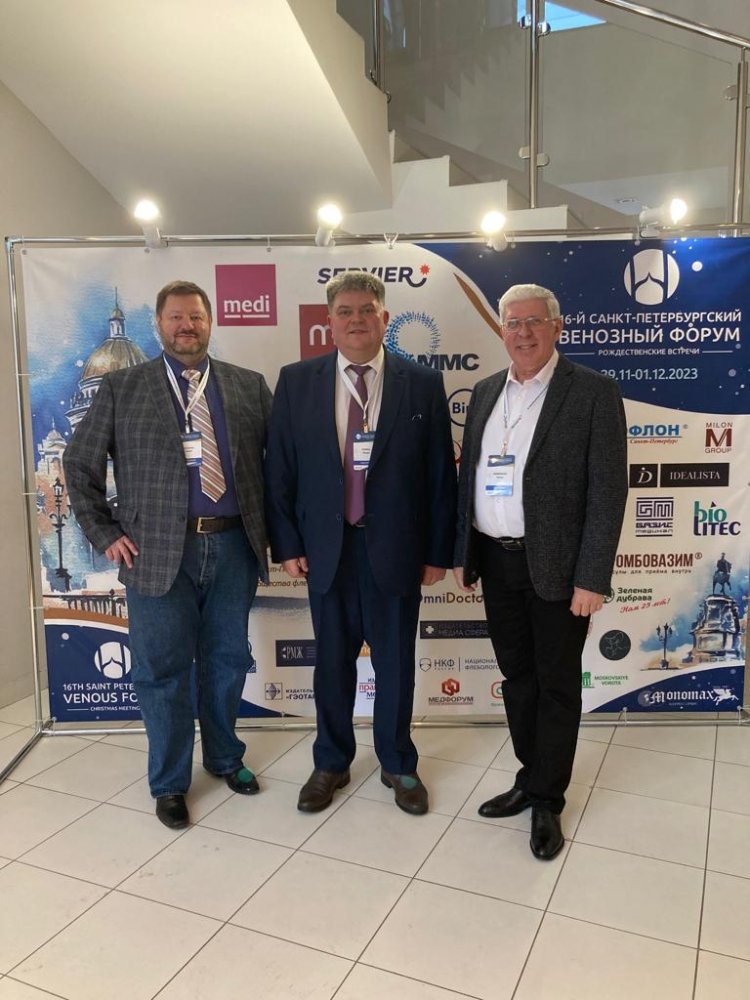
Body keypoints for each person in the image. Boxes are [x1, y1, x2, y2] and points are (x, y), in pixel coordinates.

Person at [64, 280, 271, 829]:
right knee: (162, 671)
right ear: (158, 325)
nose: (187, 326)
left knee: (228, 661)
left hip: (234, 546)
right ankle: (170, 782)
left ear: (210, 323)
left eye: (196, 317)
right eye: (176, 317)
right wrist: (104, 532)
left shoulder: (248, 385)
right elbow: (78, 465)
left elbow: (279, 465)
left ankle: (225, 758)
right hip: (154, 553)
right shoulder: (123, 387)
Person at [265, 271, 456, 815]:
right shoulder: (297, 381)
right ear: (328, 322)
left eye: (366, 310)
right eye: (345, 311)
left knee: (395, 663)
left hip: (396, 550)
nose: (356, 320)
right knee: (331, 663)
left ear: (384, 318)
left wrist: (438, 552)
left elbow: (440, 475)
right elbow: (280, 470)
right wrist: (288, 544)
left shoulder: (422, 382)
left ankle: (398, 762)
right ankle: (330, 761)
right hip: (326, 550)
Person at [454, 283, 627, 860]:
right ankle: (530, 777)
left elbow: (608, 491)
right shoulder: (486, 391)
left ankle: (548, 798)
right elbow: (471, 477)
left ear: (557, 327)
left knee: (555, 684)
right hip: (495, 559)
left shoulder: (594, 392)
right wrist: (465, 552)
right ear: (501, 329)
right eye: (512, 322)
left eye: (533, 321)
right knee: (518, 678)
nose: (522, 332)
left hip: (559, 568)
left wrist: (592, 577)